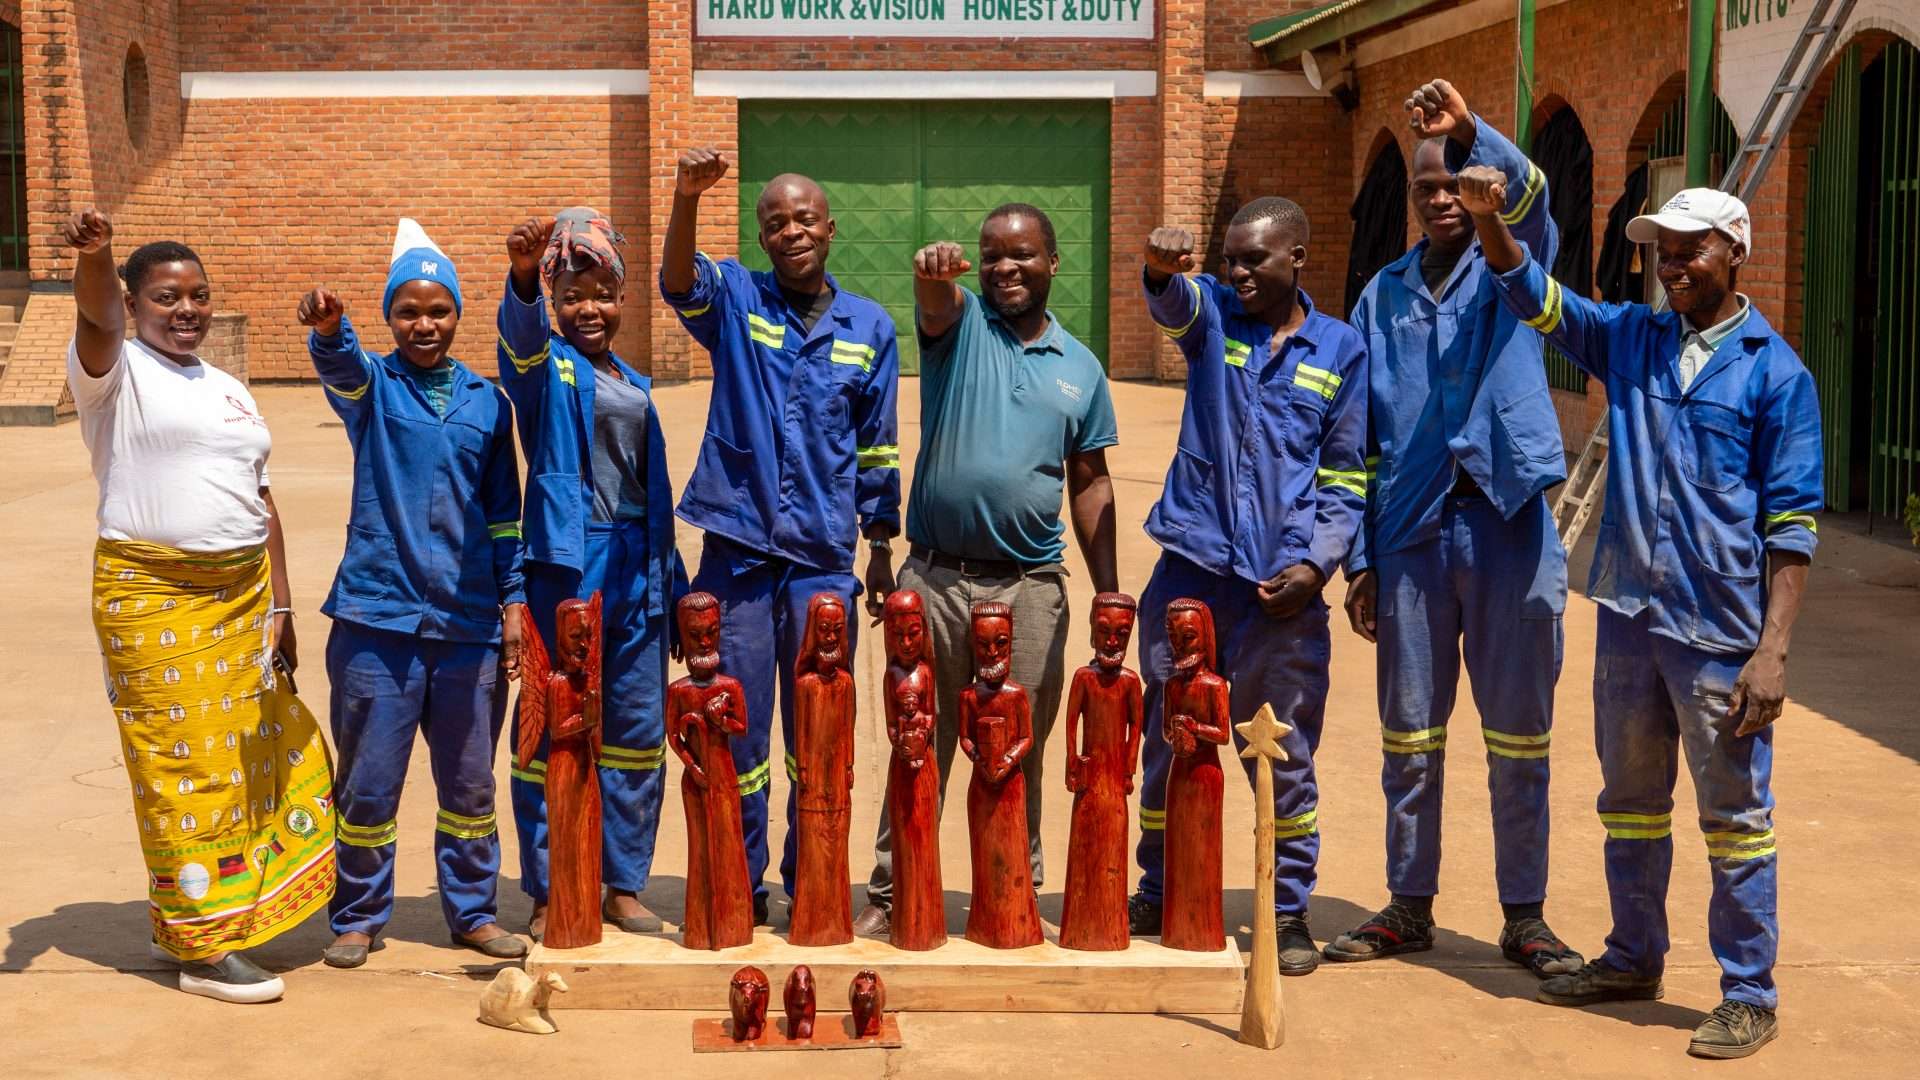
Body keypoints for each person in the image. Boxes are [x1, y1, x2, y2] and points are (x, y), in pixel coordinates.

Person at [1467, 176, 1819, 1059]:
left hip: (1719, 630)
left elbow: (1792, 527)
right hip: (1628, 612)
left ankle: (1749, 992)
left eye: (1690, 249)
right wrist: (1488, 218)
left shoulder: (1776, 374)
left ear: (1736, 251)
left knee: (1735, 816)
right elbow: (1534, 295)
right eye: (1663, 251)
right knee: (1628, 804)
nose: (1672, 265)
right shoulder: (1631, 339)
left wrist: (1773, 652)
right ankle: (1633, 956)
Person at [1329, 79, 1580, 976]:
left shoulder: (1515, 262)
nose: (1441, 198)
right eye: (1426, 187)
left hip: (1507, 525)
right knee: (1409, 736)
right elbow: (1359, 437)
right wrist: (1362, 558)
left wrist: (1473, 132)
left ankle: (1525, 916)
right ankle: (1408, 904)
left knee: (1519, 737)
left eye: (1455, 183)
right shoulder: (1380, 297)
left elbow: (1534, 196)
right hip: (1411, 536)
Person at [67, 207, 334, 1002]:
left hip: (241, 599)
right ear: (134, 304)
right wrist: (97, 254)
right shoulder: (114, 371)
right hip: (154, 597)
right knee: (182, 771)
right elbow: (95, 314)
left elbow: (260, 498)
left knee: (251, 761)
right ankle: (205, 949)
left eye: (199, 295)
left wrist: (281, 608)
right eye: (166, 297)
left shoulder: (228, 389)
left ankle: (187, 918)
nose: (186, 310)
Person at [854, 205, 1119, 938]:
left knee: (1016, 748)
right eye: (992, 255)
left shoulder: (1081, 368)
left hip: (1030, 586)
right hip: (935, 579)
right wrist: (931, 273)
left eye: (1022, 254)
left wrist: (1108, 589)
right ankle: (893, 892)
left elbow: (1089, 480)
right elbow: (936, 301)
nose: (1006, 268)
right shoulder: (962, 327)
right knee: (920, 740)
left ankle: (1012, 892)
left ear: (1053, 262)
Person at [1126, 198, 1367, 976]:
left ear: (1297, 256)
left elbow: (1346, 475)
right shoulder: (1214, 319)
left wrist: (1317, 564)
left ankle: (1284, 910)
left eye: (1253, 259)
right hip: (1190, 577)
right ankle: (1159, 887)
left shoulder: (1342, 350)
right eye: (1229, 259)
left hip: (1280, 596)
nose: (1237, 273)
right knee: (1170, 741)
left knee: (1280, 755)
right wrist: (1159, 269)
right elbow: (1174, 301)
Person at [661, 148, 901, 923]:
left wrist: (881, 546)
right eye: (775, 223)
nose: (791, 231)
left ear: (830, 228)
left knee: (817, 732)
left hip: (822, 559)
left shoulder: (870, 328)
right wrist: (686, 197)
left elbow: (878, 447)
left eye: (804, 219)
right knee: (734, 726)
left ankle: (812, 883)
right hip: (737, 553)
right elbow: (677, 283)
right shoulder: (738, 299)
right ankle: (739, 881)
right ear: (762, 238)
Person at [297, 219, 528, 967]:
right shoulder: (374, 388)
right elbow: (341, 364)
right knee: (368, 785)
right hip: (378, 618)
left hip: (468, 626)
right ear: (389, 318)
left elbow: (504, 515)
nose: (424, 325)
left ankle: (473, 913)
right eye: (407, 312)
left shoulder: (489, 403)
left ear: (457, 314)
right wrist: (331, 330)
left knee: (469, 785)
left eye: (438, 311)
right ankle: (358, 917)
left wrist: (513, 602)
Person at [499, 209, 686, 940]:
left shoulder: (633, 381)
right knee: (554, 723)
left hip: (639, 563)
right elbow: (518, 343)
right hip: (570, 563)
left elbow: (647, 486)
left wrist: (669, 578)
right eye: (571, 295)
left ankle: (622, 884)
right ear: (553, 299)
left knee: (635, 728)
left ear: (623, 298)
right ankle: (551, 887)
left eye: (603, 295)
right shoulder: (545, 369)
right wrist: (521, 279)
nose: (589, 309)